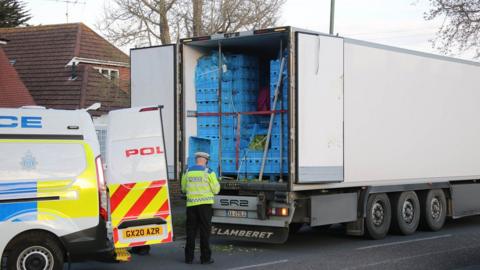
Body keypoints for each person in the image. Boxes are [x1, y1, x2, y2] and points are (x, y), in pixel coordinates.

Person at [181, 152, 220, 264]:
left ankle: (188, 258)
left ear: (196, 160)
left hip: (191, 206)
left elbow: (183, 189)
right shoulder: (209, 172)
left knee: (191, 231)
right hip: (205, 207)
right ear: (206, 161)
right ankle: (205, 258)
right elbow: (216, 190)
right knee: (204, 232)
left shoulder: (187, 172)